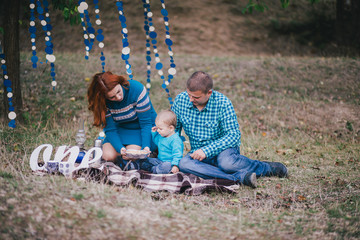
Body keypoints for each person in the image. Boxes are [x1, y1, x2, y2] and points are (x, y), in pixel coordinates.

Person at [171, 71, 288, 188]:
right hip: (198, 153)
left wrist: (206, 150)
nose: (191, 99)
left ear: (209, 93)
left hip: (224, 151)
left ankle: (267, 168)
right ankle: (238, 178)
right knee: (184, 163)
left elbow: (233, 135)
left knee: (227, 164)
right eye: (189, 95)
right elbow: (173, 130)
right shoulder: (181, 100)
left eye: (196, 97)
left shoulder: (223, 103)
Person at [87, 71, 157, 169]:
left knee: (133, 154)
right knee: (108, 156)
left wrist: (146, 146)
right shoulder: (102, 103)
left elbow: (146, 124)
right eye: (112, 97)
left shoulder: (137, 89)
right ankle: (125, 159)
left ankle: (147, 154)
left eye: (118, 91)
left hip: (143, 128)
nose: (118, 97)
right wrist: (120, 148)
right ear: (104, 97)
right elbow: (110, 129)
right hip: (122, 128)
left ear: (120, 83)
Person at [141, 110, 184, 174]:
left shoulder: (175, 140)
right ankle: (153, 168)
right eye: (157, 128)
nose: (158, 130)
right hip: (159, 160)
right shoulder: (162, 136)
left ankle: (154, 170)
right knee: (146, 160)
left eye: (160, 129)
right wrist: (154, 133)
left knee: (166, 166)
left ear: (171, 128)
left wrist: (175, 165)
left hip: (170, 163)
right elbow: (156, 141)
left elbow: (177, 154)